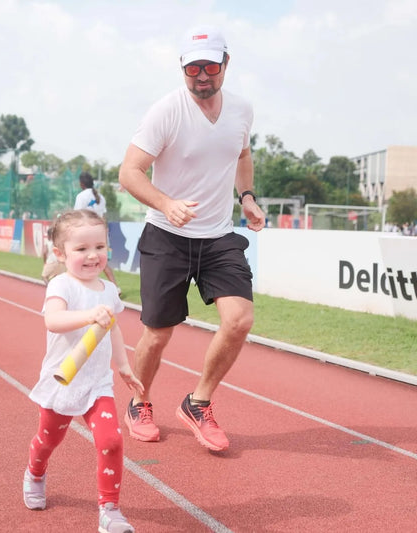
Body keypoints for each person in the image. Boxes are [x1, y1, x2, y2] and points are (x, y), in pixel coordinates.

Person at [117, 25, 265, 452]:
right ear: (182, 68)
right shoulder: (166, 111)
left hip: (218, 235)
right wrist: (165, 204)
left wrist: (248, 197)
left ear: (226, 64)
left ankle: (198, 402)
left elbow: (241, 153)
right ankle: (139, 401)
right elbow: (128, 172)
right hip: (167, 234)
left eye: (210, 66)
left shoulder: (241, 110)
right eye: (193, 68)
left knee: (239, 320)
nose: (202, 75)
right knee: (158, 334)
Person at [23, 209, 143, 532]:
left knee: (112, 441)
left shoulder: (108, 291)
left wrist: (123, 366)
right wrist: (90, 316)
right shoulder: (61, 285)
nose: (93, 256)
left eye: (100, 247)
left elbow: (113, 329)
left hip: (96, 383)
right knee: (49, 441)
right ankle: (35, 472)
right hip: (62, 381)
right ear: (61, 254)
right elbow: (53, 320)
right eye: (81, 249)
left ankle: (110, 510)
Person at [74, 171, 120, 295]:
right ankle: (115, 288)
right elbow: (104, 217)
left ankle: (83, 288)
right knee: (102, 262)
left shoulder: (81, 196)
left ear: (81, 184)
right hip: (99, 232)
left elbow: (77, 216)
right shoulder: (101, 197)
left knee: (80, 260)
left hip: (86, 232)